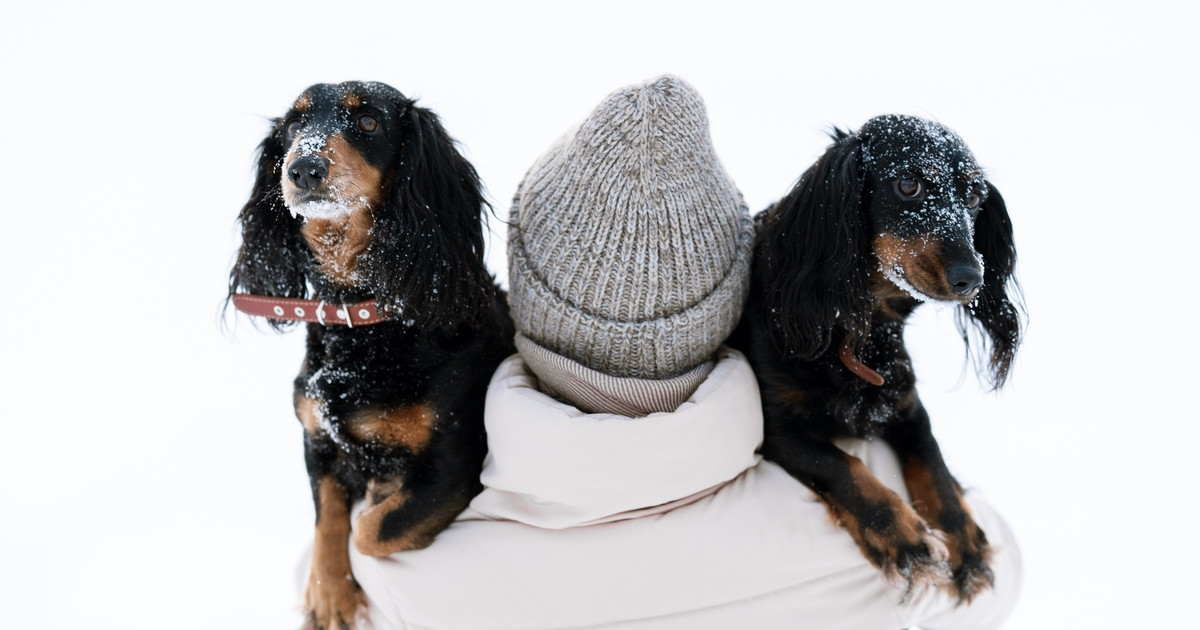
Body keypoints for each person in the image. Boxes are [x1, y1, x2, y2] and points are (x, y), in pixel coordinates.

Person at [338, 75, 1022, 629]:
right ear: (727, 296)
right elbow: (996, 580)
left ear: (528, 296)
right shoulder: (879, 518)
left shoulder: (400, 566)